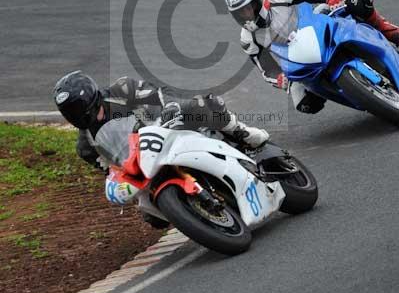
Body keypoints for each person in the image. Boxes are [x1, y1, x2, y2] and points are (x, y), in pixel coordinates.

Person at [53, 71, 270, 215]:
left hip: (165, 123)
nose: (77, 114)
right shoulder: (85, 145)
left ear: (91, 96)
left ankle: (242, 133)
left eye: (78, 106)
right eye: (70, 111)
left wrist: (170, 109)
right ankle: (190, 210)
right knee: (152, 218)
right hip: (142, 160)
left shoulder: (122, 89)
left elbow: (160, 95)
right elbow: (110, 169)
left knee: (203, 105)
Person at [225, 0, 399, 114]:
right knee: (306, 105)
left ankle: (388, 31)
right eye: (240, 12)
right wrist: (279, 79)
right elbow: (266, 69)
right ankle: (363, 96)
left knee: (355, 0)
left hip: (316, 24)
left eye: (248, 8)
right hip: (297, 60)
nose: (245, 15)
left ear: (260, 0)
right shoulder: (248, 39)